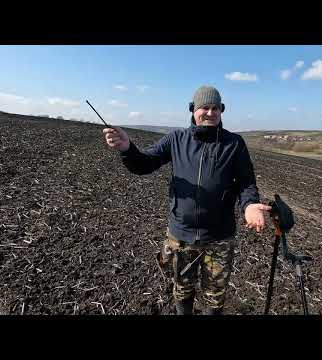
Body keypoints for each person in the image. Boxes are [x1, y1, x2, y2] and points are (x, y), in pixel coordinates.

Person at [103, 86, 271, 315]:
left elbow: (246, 183)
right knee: (182, 289)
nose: (210, 113)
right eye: (204, 107)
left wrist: (250, 204)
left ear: (221, 111)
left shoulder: (234, 144)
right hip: (181, 235)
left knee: (215, 295)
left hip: (219, 237)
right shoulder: (176, 139)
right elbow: (144, 163)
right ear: (193, 110)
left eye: (216, 108)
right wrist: (127, 149)